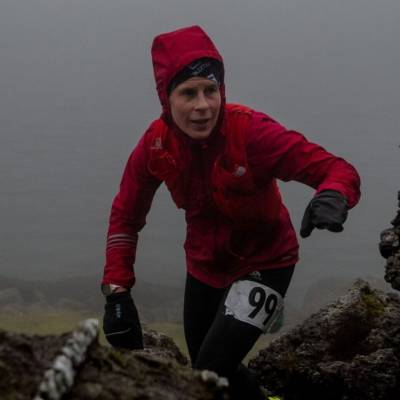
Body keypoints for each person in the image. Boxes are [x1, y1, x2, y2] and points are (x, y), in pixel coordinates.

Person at [101, 25, 361, 399]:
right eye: (188, 93)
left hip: (267, 262)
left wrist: (333, 195)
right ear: (166, 98)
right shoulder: (156, 145)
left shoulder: (251, 132)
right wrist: (117, 292)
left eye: (212, 90)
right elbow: (126, 215)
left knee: (209, 370)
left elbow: (335, 169)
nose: (203, 105)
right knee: (207, 368)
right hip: (205, 266)